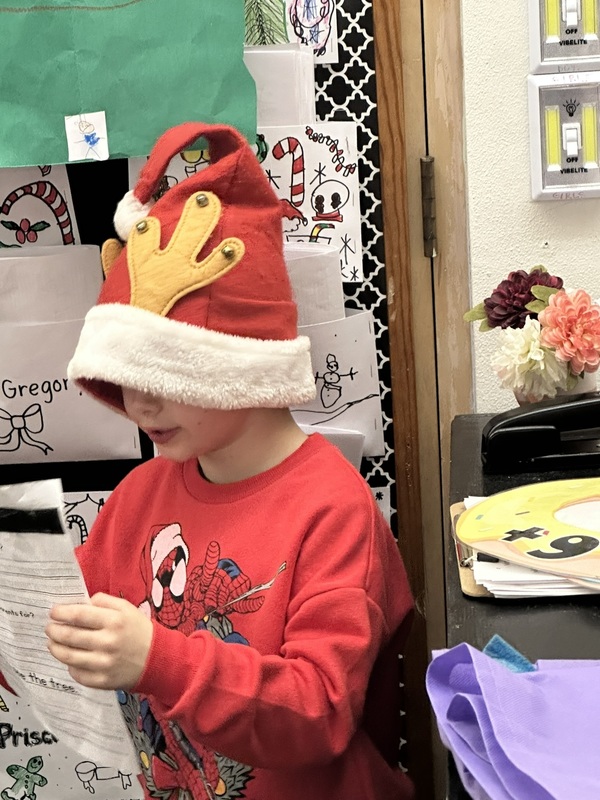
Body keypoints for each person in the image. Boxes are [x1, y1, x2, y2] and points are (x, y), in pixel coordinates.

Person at [45, 122, 415, 800]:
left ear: (238, 366)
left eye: (164, 375)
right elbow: (68, 623)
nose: (140, 405)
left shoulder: (332, 511)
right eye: (125, 377)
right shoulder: (139, 496)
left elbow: (320, 712)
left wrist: (158, 659)